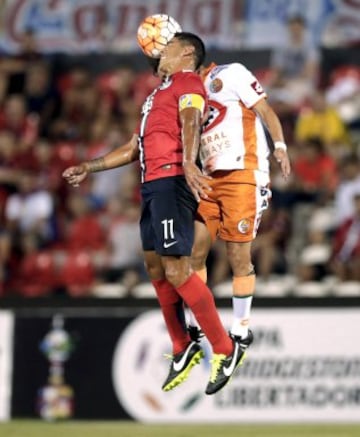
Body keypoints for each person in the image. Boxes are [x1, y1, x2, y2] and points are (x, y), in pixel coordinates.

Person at [63, 32, 242, 396]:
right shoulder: (156, 94)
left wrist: (190, 163)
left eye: (170, 45)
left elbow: (191, 119)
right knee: (154, 266)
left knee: (177, 268)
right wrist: (90, 166)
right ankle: (182, 344)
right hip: (151, 184)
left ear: (187, 52)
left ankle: (224, 347)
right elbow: (133, 147)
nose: (161, 50)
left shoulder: (189, 81)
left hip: (172, 180)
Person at [189, 61, 291, 349]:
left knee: (238, 256)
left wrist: (280, 147)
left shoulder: (230, 73)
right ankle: (197, 327)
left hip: (242, 173)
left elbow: (265, 110)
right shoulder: (186, 93)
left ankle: (241, 328)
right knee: (195, 251)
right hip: (209, 178)